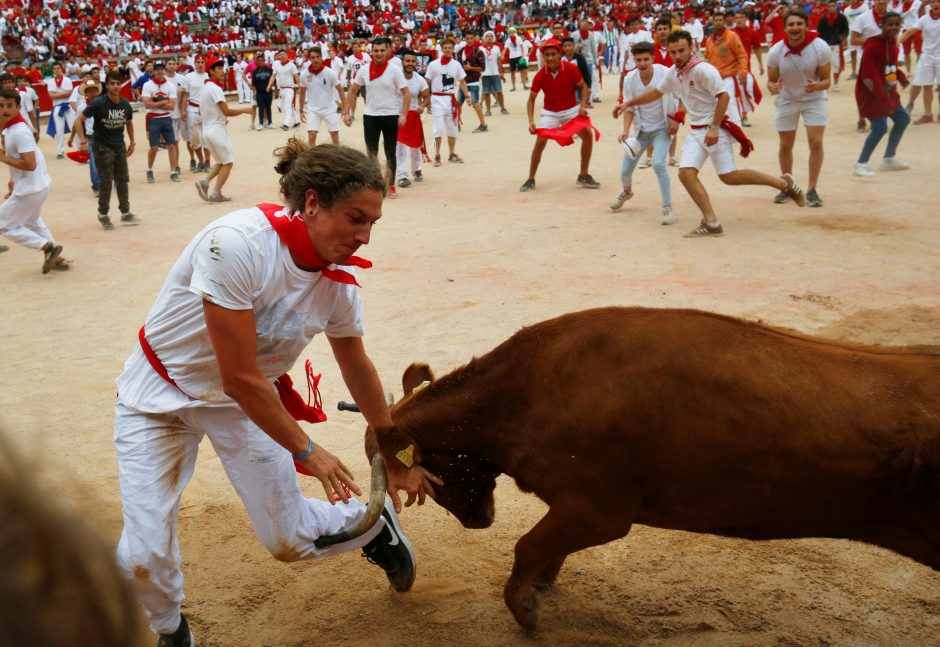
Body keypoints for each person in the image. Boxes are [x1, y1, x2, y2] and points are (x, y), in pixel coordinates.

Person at [113, 141, 438, 647]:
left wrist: (395, 451)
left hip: (244, 405)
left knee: (289, 541)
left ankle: (374, 525)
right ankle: (171, 631)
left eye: (373, 223)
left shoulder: (339, 285)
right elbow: (239, 376)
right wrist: (308, 450)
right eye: (355, 219)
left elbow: (356, 365)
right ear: (311, 203)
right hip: (156, 398)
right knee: (141, 555)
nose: (365, 237)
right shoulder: (236, 244)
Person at [617, 31, 806, 238]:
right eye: (673, 52)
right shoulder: (675, 72)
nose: (677, 56)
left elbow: (723, 96)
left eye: (681, 51)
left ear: (691, 49)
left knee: (729, 177)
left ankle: (783, 184)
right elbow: (657, 92)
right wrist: (629, 103)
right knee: (685, 173)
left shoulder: (703, 70)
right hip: (697, 129)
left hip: (716, 128)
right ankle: (712, 222)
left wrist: (715, 127)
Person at [766, 8, 832, 207]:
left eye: (799, 24)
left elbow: (827, 80)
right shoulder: (776, 51)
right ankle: (788, 186)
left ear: (806, 25)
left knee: (816, 142)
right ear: (785, 28)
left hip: (814, 99)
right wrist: (774, 87)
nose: (795, 28)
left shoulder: (820, 47)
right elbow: (770, 82)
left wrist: (816, 86)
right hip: (787, 99)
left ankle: (812, 189)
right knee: (785, 145)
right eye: (791, 25)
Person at [0, 88, 67, 273]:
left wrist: (2, 157)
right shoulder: (12, 127)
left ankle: (47, 247)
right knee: (33, 221)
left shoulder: (18, 131)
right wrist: (13, 179)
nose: (5, 110)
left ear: (18, 107)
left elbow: (29, 164)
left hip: (29, 189)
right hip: (38, 185)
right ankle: (57, 258)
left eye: (9, 106)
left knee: (4, 226)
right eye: (1, 106)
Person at [519, 39, 600, 192]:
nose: (550, 58)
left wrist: (583, 105)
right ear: (543, 56)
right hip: (550, 112)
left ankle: (583, 174)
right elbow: (531, 101)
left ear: (559, 54)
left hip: (571, 109)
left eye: (553, 54)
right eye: (547, 55)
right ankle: (530, 178)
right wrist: (531, 121)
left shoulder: (570, 68)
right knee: (540, 141)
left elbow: (583, 87)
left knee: (588, 135)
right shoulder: (540, 75)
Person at [612, 42, 679, 226]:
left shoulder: (665, 73)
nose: (642, 63)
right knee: (625, 171)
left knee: (658, 164)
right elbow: (629, 107)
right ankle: (627, 192)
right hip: (640, 131)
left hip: (661, 129)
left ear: (653, 58)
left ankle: (667, 207)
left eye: (645, 59)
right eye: (638, 59)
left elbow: (680, 96)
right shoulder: (630, 78)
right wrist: (625, 131)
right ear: (634, 59)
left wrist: (676, 119)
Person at [343, 37, 410, 199]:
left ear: (388, 51)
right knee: (371, 152)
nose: (379, 54)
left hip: (391, 116)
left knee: (390, 152)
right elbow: (352, 91)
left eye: (382, 50)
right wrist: (346, 112)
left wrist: (403, 114)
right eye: (376, 50)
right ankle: (374, 185)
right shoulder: (364, 70)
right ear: (371, 51)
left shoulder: (394, 70)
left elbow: (406, 93)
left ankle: (391, 184)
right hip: (371, 116)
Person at [74, 71, 138, 231]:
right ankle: (103, 214)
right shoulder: (98, 103)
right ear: (107, 85)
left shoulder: (125, 103)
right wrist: (82, 140)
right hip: (101, 144)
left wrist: (132, 141)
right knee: (106, 180)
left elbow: (128, 122)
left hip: (119, 143)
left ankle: (125, 211)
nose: (115, 86)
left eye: (118, 83)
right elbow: (78, 120)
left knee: (123, 178)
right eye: (112, 83)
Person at [854, 12, 912, 175]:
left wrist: (900, 76)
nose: (894, 28)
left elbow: (889, 65)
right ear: (882, 25)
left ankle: (889, 159)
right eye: (890, 24)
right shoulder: (872, 46)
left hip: (888, 92)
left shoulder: (892, 43)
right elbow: (868, 76)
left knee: (903, 119)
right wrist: (884, 100)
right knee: (879, 127)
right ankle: (861, 163)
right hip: (872, 94)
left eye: (896, 24)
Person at [195, 60, 253, 203]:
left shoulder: (204, 88)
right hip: (216, 130)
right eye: (219, 69)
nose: (222, 71)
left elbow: (205, 111)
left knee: (220, 161)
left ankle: (205, 181)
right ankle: (216, 193)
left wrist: (221, 117)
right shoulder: (215, 88)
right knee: (228, 162)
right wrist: (245, 110)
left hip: (207, 130)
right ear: (212, 72)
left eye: (223, 68)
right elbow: (227, 110)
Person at [425, 39, 473, 166]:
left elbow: (462, 81)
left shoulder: (456, 64)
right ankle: (437, 155)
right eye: (445, 47)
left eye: (449, 47)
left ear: (453, 49)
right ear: (441, 48)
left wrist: (467, 97)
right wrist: (426, 99)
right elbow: (427, 83)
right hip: (437, 98)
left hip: (450, 100)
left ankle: (452, 154)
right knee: (438, 128)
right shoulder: (433, 64)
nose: (447, 49)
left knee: (452, 128)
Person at [703, 11, 751, 126]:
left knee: (730, 103)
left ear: (724, 22)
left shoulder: (732, 36)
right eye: (716, 20)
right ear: (712, 22)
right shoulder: (710, 40)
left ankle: (737, 128)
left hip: (728, 76)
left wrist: (743, 72)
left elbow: (741, 55)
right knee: (714, 104)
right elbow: (706, 59)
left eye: (720, 20)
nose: (718, 22)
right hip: (714, 79)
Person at [851, 0, 890, 131]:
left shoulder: (892, 17)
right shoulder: (863, 18)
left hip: (887, 61)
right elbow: (853, 39)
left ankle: (880, 121)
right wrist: (873, 43)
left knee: (887, 89)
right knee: (864, 91)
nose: (882, 2)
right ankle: (861, 120)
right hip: (867, 61)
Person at [141, 62, 181, 184]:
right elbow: (147, 104)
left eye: (161, 69)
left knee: (171, 145)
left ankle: (173, 171)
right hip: (153, 118)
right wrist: (163, 102)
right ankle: (149, 169)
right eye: (157, 69)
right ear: (153, 71)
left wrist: (155, 102)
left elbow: (172, 107)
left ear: (164, 71)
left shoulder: (170, 86)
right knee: (153, 147)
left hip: (165, 117)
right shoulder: (148, 85)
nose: (159, 71)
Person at [900, 0, 940, 123]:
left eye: (938, 1)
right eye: (933, 2)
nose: (936, 4)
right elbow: (911, 31)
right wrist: (897, 42)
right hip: (927, 55)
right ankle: (928, 115)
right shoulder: (924, 19)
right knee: (926, 85)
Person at [396, 49, 430, 187]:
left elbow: (427, 96)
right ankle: (402, 175)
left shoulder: (419, 79)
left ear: (416, 63)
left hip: (413, 115)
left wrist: (422, 105)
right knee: (400, 147)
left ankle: (417, 170)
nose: (410, 63)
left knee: (415, 145)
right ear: (402, 62)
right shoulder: (396, 77)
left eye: (413, 61)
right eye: (407, 61)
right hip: (398, 116)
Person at [298, 47, 344, 146]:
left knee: (334, 134)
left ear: (321, 58)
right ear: (309, 59)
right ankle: (311, 159)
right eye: (313, 57)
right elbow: (302, 93)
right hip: (313, 109)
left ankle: (337, 159)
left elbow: (340, 89)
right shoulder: (303, 74)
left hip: (329, 108)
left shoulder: (329, 72)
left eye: (317, 57)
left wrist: (345, 108)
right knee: (312, 135)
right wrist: (301, 110)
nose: (315, 60)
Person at [66, 78, 102, 198]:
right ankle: (97, 186)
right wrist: (73, 138)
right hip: (92, 137)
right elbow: (77, 123)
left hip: (105, 135)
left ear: (98, 92)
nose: (92, 93)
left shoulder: (105, 104)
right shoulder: (82, 107)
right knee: (94, 162)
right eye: (89, 91)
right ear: (86, 94)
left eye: (94, 90)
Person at [178, 56, 211, 172]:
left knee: (207, 138)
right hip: (192, 109)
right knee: (195, 139)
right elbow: (185, 95)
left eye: (202, 62)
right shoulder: (188, 77)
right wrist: (182, 110)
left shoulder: (209, 76)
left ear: (205, 63)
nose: (200, 64)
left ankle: (207, 162)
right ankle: (200, 162)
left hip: (207, 109)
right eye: (198, 62)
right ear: (195, 64)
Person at [816, 0, 851, 92]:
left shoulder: (842, 18)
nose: (831, 8)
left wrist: (843, 37)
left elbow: (846, 30)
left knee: (837, 65)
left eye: (833, 6)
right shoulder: (823, 19)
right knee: (823, 66)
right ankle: (824, 84)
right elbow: (819, 32)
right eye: (829, 6)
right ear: (827, 7)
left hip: (836, 45)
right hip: (825, 45)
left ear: (836, 7)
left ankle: (836, 83)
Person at [458, 32, 489, 133]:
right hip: (463, 82)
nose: (470, 40)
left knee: (476, 103)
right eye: (468, 38)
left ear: (474, 39)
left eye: (471, 38)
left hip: (474, 81)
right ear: (465, 39)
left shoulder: (479, 52)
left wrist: (470, 68)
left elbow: (482, 68)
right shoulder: (460, 52)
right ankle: (457, 123)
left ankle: (483, 124)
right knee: (458, 104)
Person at [45, 62, 74, 159]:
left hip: (68, 106)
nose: (57, 70)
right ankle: (60, 151)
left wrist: (56, 94)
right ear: (53, 70)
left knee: (74, 127)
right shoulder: (50, 81)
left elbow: (69, 94)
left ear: (61, 69)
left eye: (58, 68)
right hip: (57, 107)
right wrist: (63, 93)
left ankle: (80, 147)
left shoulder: (67, 80)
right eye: (55, 68)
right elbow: (51, 96)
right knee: (59, 129)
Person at [270, 50, 300, 130]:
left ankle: (286, 124)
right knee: (290, 106)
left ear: (287, 55)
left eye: (283, 54)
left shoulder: (291, 65)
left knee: (287, 106)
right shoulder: (277, 65)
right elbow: (273, 76)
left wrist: (300, 86)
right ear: (279, 56)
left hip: (290, 89)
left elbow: (296, 76)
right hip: (282, 89)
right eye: (280, 55)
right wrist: (269, 85)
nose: (282, 56)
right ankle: (297, 121)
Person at [480, 31, 508, 116]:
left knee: (499, 92)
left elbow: (499, 61)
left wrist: (501, 72)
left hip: (495, 73)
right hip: (485, 74)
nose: (489, 38)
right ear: (484, 38)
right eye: (487, 36)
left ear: (493, 38)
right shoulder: (481, 49)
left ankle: (503, 108)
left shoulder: (496, 48)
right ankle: (488, 110)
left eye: (491, 36)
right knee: (486, 93)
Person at [251, 52, 275, 130]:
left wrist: (275, 91)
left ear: (264, 61)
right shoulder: (255, 72)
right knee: (261, 108)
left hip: (268, 93)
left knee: (268, 108)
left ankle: (270, 123)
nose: (260, 62)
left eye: (262, 60)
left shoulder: (270, 70)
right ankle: (260, 124)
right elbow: (253, 84)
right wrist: (254, 93)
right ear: (257, 62)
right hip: (259, 93)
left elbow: (273, 81)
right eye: (259, 60)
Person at [505, 27, 530, 91]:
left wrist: (523, 56)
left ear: (515, 32)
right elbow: (505, 48)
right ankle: (514, 87)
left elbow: (522, 47)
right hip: (512, 57)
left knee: (522, 71)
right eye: (510, 32)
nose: (512, 33)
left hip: (519, 56)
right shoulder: (507, 40)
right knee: (512, 72)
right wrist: (503, 54)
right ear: (509, 33)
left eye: (513, 32)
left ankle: (524, 85)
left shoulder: (518, 39)